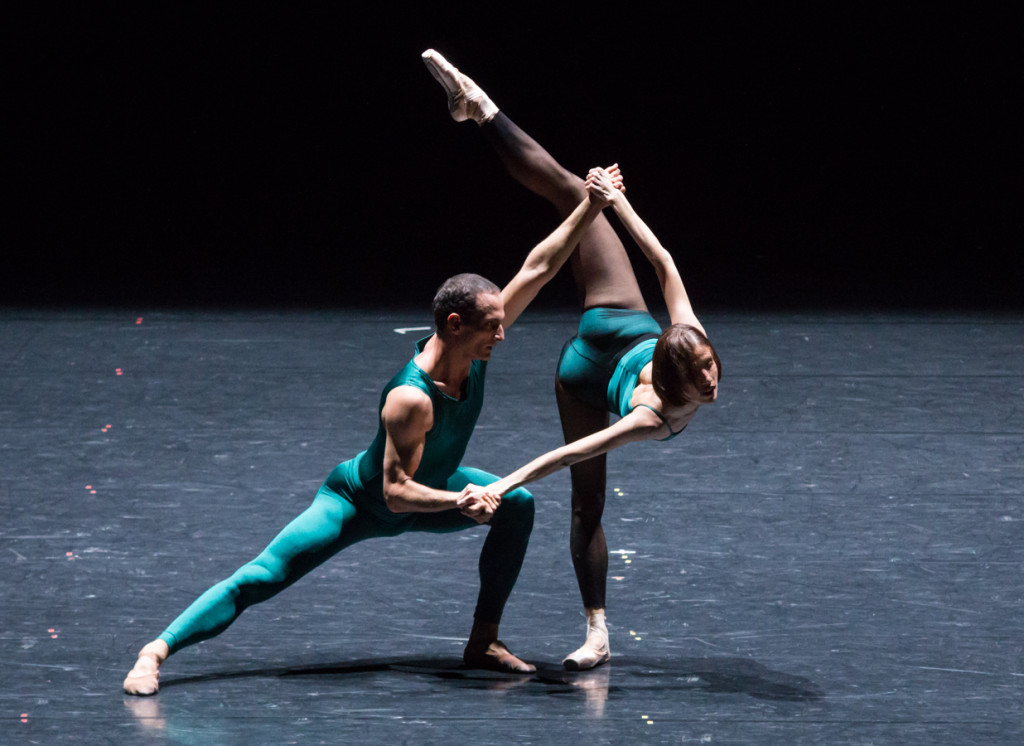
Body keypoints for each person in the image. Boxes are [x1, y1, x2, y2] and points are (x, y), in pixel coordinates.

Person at [122, 166, 621, 695]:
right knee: (262, 577)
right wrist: (461, 502)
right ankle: (156, 651)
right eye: (491, 326)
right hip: (361, 503)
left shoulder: (471, 352)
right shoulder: (410, 398)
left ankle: (484, 642)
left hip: (435, 487)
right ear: (454, 325)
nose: (504, 333)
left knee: (516, 504)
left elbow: (539, 266)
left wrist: (591, 206)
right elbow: (395, 492)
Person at [422, 50, 721, 671]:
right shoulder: (656, 400)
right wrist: (602, 198)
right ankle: (479, 107)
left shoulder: (677, 360)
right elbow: (658, 264)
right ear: (672, 375)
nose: (713, 378)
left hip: (579, 384)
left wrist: (619, 204)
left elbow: (664, 261)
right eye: (702, 375)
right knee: (569, 190)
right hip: (612, 325)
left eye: (711, 368)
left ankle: (597, 631)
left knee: (589, 505)